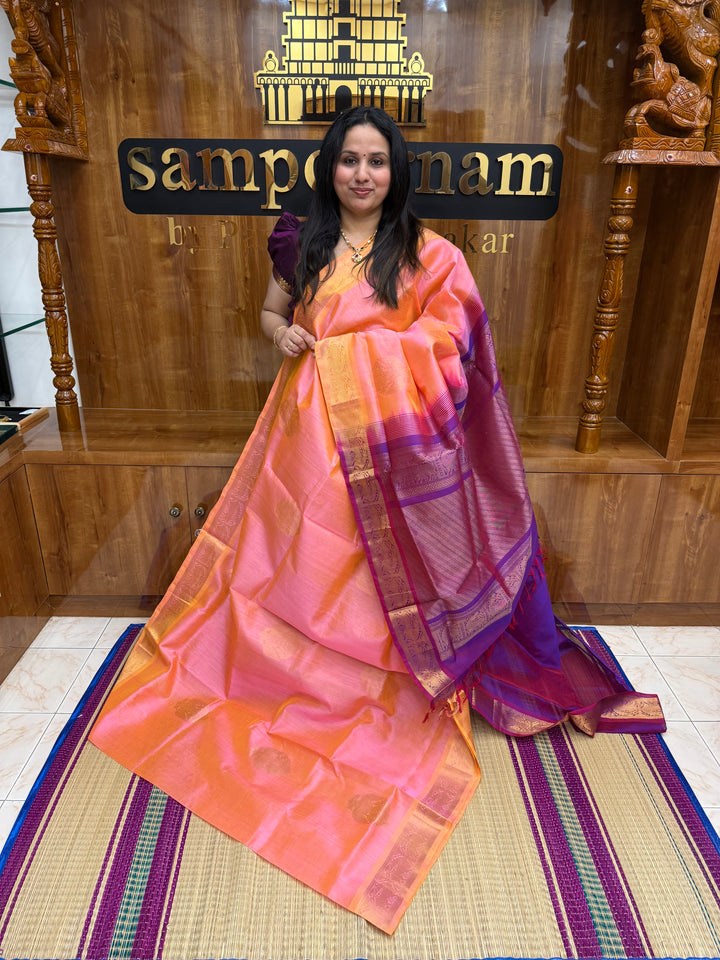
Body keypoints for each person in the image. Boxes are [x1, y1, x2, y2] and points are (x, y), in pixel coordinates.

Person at [89, 107, 665, 934]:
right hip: (304, 439)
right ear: (330, 167)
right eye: (350, 160)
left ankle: (374, 680)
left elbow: (453, 345)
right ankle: (288, 675)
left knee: (372, 571)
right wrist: (286, 336)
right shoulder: (300, 240)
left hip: (390, 453)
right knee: (298, 565)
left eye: (377, 161)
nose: (362, 174)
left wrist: (359, 356)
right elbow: (269, 314)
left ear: (396, 173)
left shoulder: (429, 255)